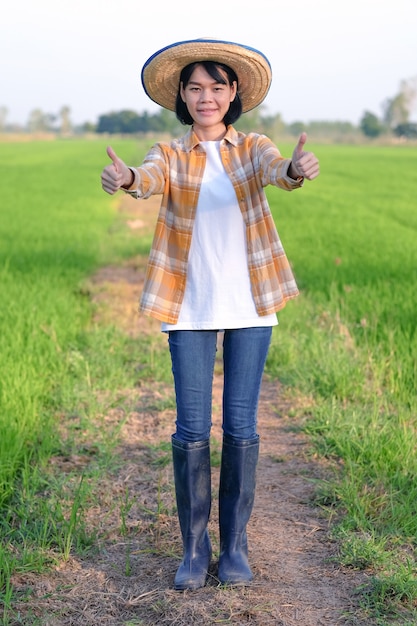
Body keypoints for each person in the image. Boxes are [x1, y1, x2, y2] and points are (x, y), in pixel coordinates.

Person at [101, 38, 319, 591]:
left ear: (233, 93)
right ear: (182, 95)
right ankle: (194, 550)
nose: (206, 97)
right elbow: (148, 178)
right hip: (189, 305)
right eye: (195, 88)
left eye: (216, 87)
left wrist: (295, 167)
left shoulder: (254, 148)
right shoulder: (170, 153)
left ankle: (236, 547)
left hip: (250, 302)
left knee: (241, 427)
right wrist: (128, 179)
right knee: (192, 429)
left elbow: (279, 172)